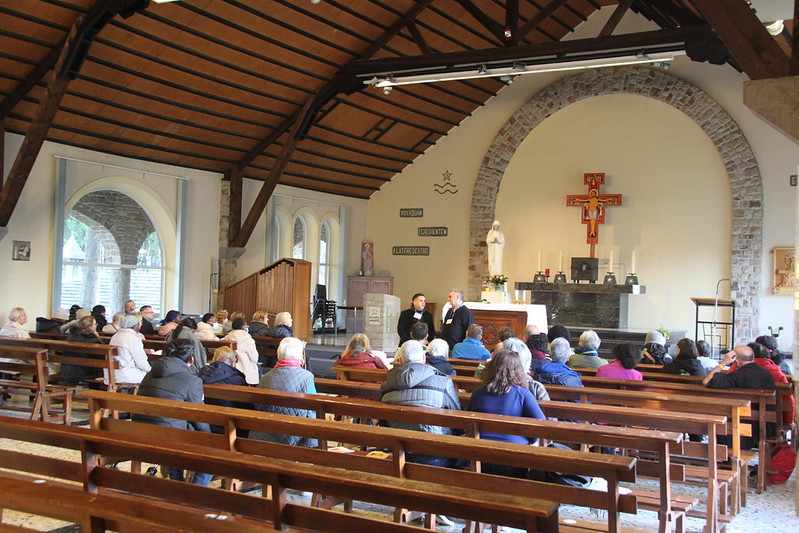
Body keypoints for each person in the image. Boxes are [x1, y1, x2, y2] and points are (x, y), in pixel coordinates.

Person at [133, 339, 212, 486]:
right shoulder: (192, 380)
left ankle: (177, 483)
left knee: (175, 431)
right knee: (213, 452)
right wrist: (210, 438)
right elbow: (198, 416)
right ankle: (196, 490)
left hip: (140, 433)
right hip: (170, 438)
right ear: (191, 360)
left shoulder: (149, 375)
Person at [380, 340, 461, 466]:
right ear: (424, 358)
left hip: (398, 452)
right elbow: (457, 418)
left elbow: (383, 421)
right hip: (435, 454)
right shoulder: (443, 383)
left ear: (400, 360)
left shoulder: (386, 386)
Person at [468, 349, 545, 477]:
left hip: (480, 455)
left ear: (492, 368)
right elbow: (541, 424)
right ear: (518, 370)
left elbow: (468, 419)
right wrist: (531, 440)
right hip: (514, 459)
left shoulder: (478, 393)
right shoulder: (523, 394)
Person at [704, 345, 777, 449]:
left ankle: (724, 456)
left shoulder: (738, 375)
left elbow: (707, 381)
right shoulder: (766, 374)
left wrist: (723, 363)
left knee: (719, 423)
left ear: (735, 360)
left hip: (745, 430)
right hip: (766, 426)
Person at [250, 337, 317, 447]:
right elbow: (314, 408)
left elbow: (258, 405)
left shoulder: (265, 377)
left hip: (265, 436)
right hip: (297, 438)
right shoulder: (307, 378)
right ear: (299, 356)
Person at [727, 342, 794, 424]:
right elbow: (787, 400)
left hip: (737, 417)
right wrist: (789, 422)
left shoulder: (734, 370)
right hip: (769, 421)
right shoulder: (776, 373)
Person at [199, 346, 251, 433]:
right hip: (231, 422)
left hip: (207, 420)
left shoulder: (202, 374)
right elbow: (246, 405)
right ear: (232, 360)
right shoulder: (238, 379)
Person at [108, 314, 151, 385]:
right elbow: (141, 363)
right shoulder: (133, 339)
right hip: (126, 375)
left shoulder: (115, 336)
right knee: (152, 378)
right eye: (138, 324)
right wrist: (151, 370)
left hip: (111, 374)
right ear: (134, 326)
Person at [60, 315, 104, 384]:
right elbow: (101, 358)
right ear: (90, 327)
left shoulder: (71, 337)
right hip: (82, 372)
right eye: (95, 324)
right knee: (100, 369)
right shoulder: (93, 341)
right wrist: (97, 336)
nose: (96, 325)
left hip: (67, 370)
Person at [223, 317, 260, 385]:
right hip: (245, 371)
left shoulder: (226, 338)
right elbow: (254, 358)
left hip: (229, 370)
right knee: (258, 368)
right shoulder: (248, 340)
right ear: (243, 328)